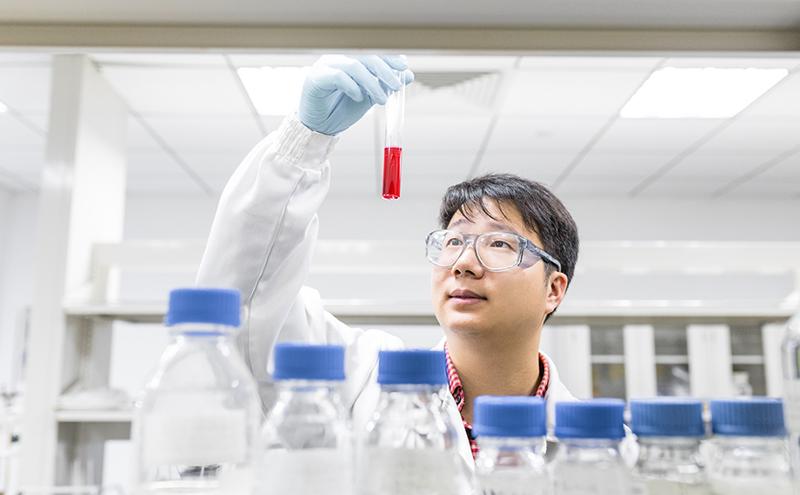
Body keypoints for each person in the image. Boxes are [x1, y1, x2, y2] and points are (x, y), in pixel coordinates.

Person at [196, 54, 580, 466]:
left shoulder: (596, 446)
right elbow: (245, 309)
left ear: (553, 289)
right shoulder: (361, 383)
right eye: (453, 241)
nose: (463, 264)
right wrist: (304, 141)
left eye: (499, 244)